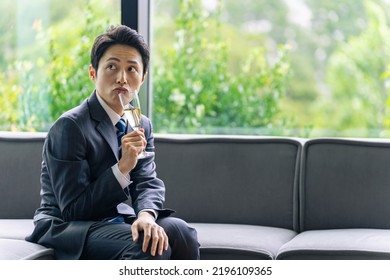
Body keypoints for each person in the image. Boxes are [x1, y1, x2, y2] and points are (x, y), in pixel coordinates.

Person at [26, 25, 200, 260]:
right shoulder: (70, 126)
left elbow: (147, 181)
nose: (121, 78)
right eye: (111, 67)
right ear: (93, 73)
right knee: (149, 245)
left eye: (131, 69)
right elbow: (73, 210)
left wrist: (146, 216)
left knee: (181, 232)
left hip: (114, 219)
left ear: (143, 77)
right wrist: (122, 168)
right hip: (67, 227)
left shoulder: (139, 123)